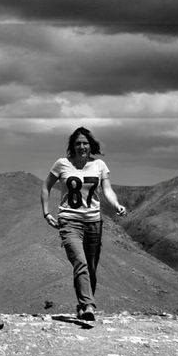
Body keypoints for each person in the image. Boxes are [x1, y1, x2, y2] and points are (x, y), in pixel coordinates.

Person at [40, 126, 127, 322]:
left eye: (85, 143)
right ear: (72, 146)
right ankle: (89, 305)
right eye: (78, 143)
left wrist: (116, 205)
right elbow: (46, 186)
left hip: (94, 223)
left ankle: (82, 305)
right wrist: (46, 213)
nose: (82, 146)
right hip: (69, 221)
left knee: (91, 268)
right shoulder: (62, 164)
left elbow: (107, 190)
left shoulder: (99, 166)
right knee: (80, 262)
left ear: (91, 146)